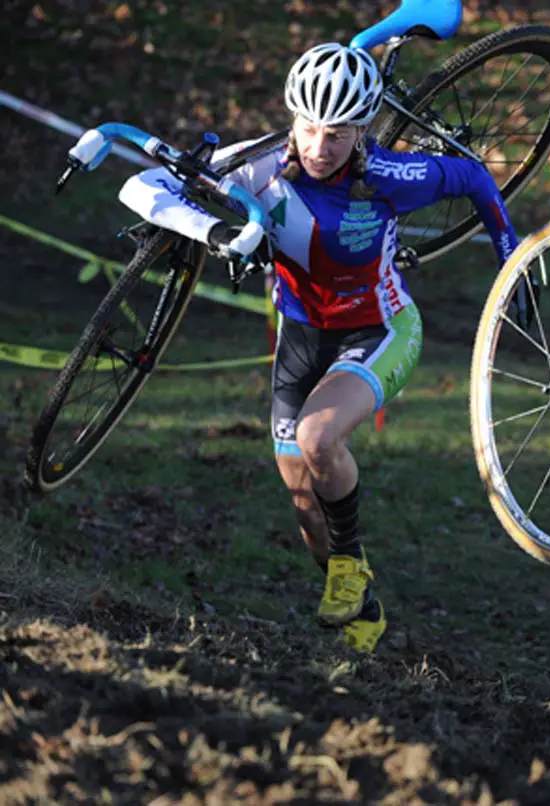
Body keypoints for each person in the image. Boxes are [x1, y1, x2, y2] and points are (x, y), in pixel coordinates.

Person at [119, 43, 523, 653]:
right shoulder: (257, 165)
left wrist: (509, 258)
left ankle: (351, 565)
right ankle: (364, 606)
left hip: (380, 330)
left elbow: (473, 177)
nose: (319, 145)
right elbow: (156, 183)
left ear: (362, 130)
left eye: (337, 133)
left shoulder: (390, 176)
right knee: (306, 504)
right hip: (299, 338)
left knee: (318, 439)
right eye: (309, 126)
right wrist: (214, 228)